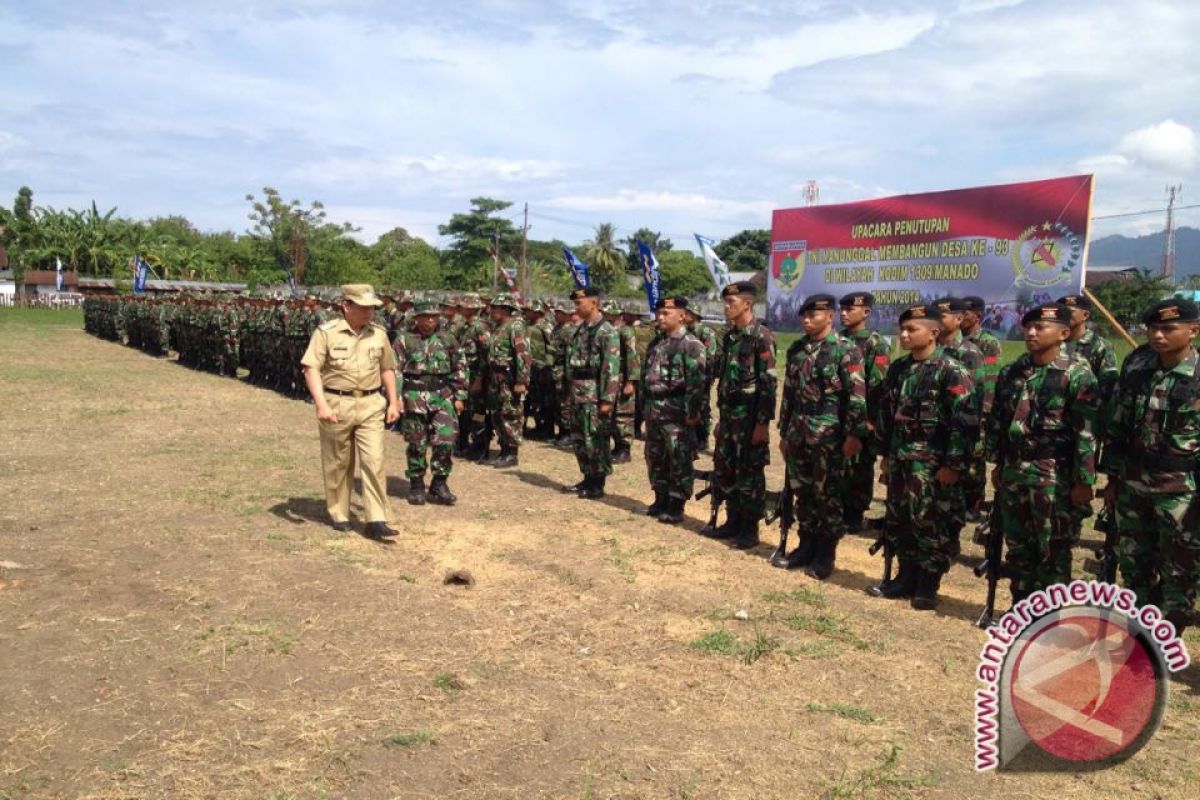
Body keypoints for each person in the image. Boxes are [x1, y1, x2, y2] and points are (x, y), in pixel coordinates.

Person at [986, 303, 1098, 604]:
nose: (1032, 332)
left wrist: (1084, 480)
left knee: (1053, 547)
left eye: (1040, 327)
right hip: (1015, 468)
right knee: (1019, 545)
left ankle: (1050, 615)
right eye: (1029, 327)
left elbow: (1085, 431)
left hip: (1053, 472)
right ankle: (1021, 606)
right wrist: (998, 463)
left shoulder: (1077, 373)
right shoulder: (1013, 371)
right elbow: (1000, 420)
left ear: (1063, 333)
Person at [1103, 298, 1200, 635]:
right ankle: (1138, 634)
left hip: (1182, 490)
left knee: (1181, 569)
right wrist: (1112, 478)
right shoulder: (1137, 363)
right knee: (1134, 563)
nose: (1158, 335)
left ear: (1193, 330)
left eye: (1169, 329)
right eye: (1153, 328)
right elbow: (1118, 423)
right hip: (1133, 482)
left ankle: (1167, 639)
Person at [873, 304, 973, 609]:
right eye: (902, 329)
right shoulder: (899, 369)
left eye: (912, 329)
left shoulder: (951, 370)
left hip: (933, 464)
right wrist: (886, 455)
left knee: (931, 521)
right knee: (901, 518)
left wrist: (953, 465)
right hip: (902, 459)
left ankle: (927, 584)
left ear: (934, 332)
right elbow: (888, 415)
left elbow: (964, 421)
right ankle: (905, 576)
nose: (904, 335)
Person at [773, 294, 868, 578]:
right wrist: (784, 432)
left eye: (813, 315)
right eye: (803, 315)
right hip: (799, 433)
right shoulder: (798, 349)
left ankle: (825, 554)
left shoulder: (845, 350)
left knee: (827, 495)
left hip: (829, 436)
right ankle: (805, 546)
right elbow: (788, 394)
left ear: (829, 316)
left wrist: (855, 434)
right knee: (802, 493)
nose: (806, 320)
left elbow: (857, 396)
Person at [300, 284, 401, 540]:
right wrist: (321, 404)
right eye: (364, 307)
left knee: (374, 460)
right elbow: (310, 368)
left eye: (372, 308)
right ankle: (339, 512)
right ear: (346, 306)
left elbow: (388, 368)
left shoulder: (379, 334)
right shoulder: (326, 333)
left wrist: (393, 401)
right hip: (337, 403)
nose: (370, 312)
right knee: (338, 462)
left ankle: (376, 518)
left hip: (370, 404)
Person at [703, 281, 776, 549]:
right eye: (725, 302)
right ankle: (732, 520)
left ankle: (749, 528)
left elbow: (768, 383)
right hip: (730, 415)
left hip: (750, 417)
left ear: (747, 304)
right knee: (727, 469)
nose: (725, 307)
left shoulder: (761, 336)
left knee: (750, 473)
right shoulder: (729, 337)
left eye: (731, 303)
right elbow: (726, 381)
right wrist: (721, 419)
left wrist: (762, 423)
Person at [393, 300, 469, 506]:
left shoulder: (448, 339)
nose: (429, 320)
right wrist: (397, 398)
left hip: (442, 395)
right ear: (415, 318)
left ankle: (439, 483)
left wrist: (460, 396)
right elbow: (395, 370)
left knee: (446, 440)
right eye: (425, 316)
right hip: (414, 397)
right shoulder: (404, 340)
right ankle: (417, 485)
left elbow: (460, 366)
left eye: (433, 316)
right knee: (417, 443)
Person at [641, 296, 707, 523]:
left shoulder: (691, 345)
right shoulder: (656, 343)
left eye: (666, 313)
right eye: (659, 313)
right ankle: (660, 499)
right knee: (655, 455)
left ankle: (676, 503)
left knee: (678, 457)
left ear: (682, 315)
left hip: (676, 409)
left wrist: (692, 413)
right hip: (654, 408)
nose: (660, 317)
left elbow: (697, 383)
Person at [837, 291, 890, 531]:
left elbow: (878, 385)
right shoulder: (837, 339)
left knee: (859, 466)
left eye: (850, 310)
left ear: (866, 312)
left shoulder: (875, 343)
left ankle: (854, 513)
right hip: (838, 414)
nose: (844, 313)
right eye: (842, 309)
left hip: (862, 415)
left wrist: (869, 420)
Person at [563, 287, 621, 499]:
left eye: (579, 303)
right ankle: (587, 477)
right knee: (580, 438)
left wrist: (607, 399)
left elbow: (611, 368)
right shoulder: (581, 330)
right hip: (578, 393)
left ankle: (598, 483)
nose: (576, 307)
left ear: (594, 302)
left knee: (595, 439)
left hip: (594, 395)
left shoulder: (606, 331)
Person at [962, 296, 1002, 520]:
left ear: (977, 315)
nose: (962, 318)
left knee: (975, 459)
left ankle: (974, 503)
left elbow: (991, 377)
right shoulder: (957, 341)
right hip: (961, 406)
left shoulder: (987, 342)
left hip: (978, 408)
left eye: (967, 314)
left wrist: (985, 410)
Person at [481, 293, 530, 467]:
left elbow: (522, 355)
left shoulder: (516, 326)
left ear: (505, 309)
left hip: (510, 379)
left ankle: (511, 452)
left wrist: (521, 381)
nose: (492, 311)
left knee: (511, 414)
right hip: (496, 378)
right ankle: (504, 449)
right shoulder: (498, 326)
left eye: (495, 308)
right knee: (498, 414)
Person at [603, 300, 641, 463]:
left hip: (622, 379)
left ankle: (624, 448)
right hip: (610, 379)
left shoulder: (626, 331)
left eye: (609, 313)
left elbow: (633, 356)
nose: (606, 315)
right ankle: (616, 446)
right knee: (610, 415)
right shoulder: (606, 330)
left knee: (623, 415)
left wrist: (631, 381)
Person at [685, 305, 721, 453]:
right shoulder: (686, 332)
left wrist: (709, 377)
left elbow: (710, 356)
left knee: (703, 406)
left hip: (702, 376)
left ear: (694, 315)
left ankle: (703, 439)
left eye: (687, 313)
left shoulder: (706, 332)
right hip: (688, 376)